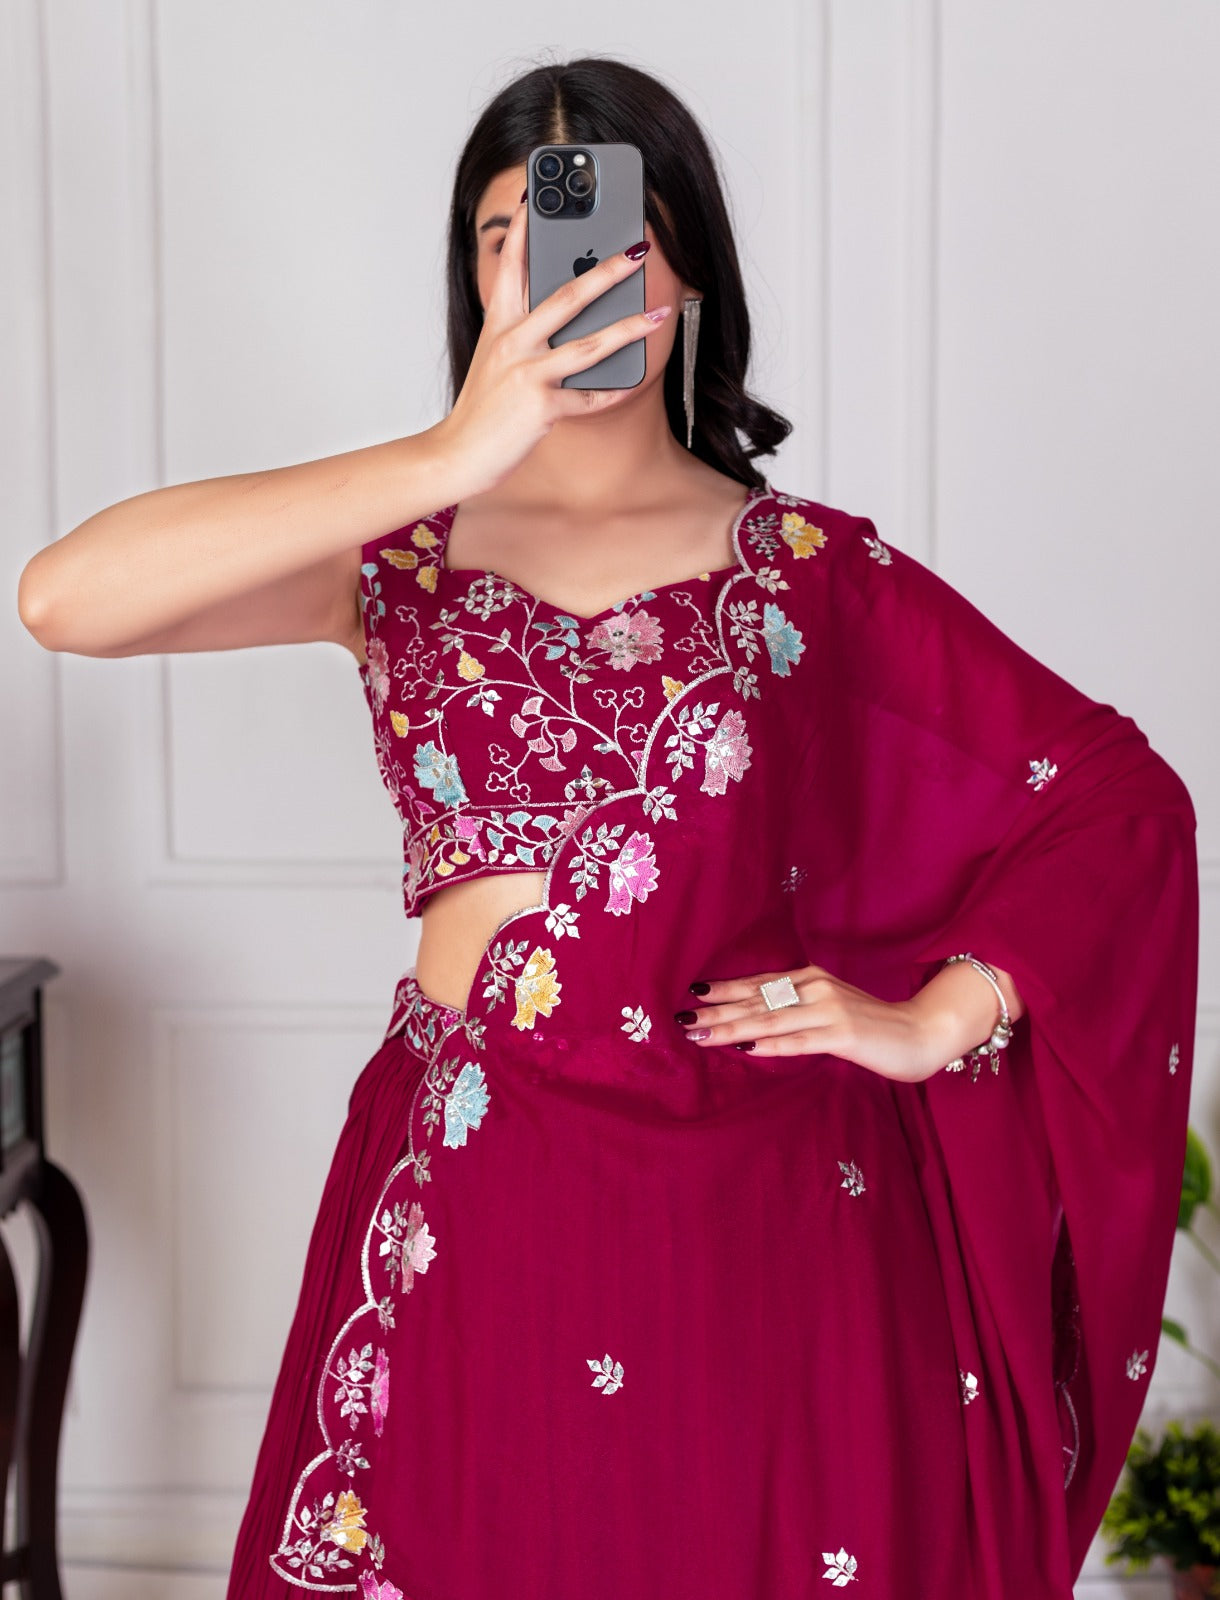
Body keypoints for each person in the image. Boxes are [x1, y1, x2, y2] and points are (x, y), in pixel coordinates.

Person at [17, 55, 1199, 1600]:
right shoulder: (397, 552)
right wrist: (450, 453)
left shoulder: (807, 573)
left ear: (684, 268)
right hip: (479, 1190)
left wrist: (933, 1020)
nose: (555, 268)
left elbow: (1114, 801)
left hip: (759, 1220)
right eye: (506, 232)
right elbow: (66, 601)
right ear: (474, 279)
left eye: (601, 230)